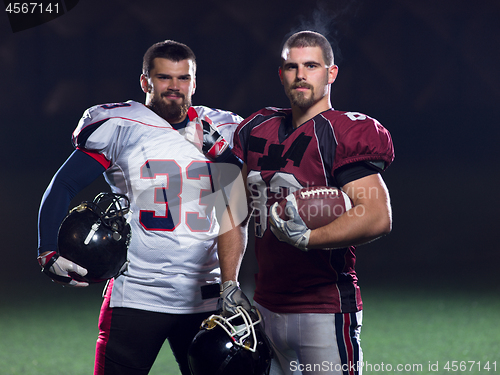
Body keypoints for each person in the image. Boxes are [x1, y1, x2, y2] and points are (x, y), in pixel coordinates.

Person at [37, 40, 243, 375]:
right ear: (146, 81)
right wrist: (47, 248)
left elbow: (242, 200)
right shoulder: (123, 124)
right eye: (164, 78)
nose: (174, 87)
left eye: (182, 78)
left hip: (205, 295)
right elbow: (64, 184)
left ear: (194, 82)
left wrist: (225, 156)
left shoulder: (221, 129)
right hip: (137, 293)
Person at [218, 30, 395, 375]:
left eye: (311, 66)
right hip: (264, 306)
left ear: (331, 73)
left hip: (324, 308)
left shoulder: (344, 132)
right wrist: (228, 283)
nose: (300, 75)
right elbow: (231, 208)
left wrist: (309, 239)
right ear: (281, 74)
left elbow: (377, 215)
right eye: (291, 66)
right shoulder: (255, 127)